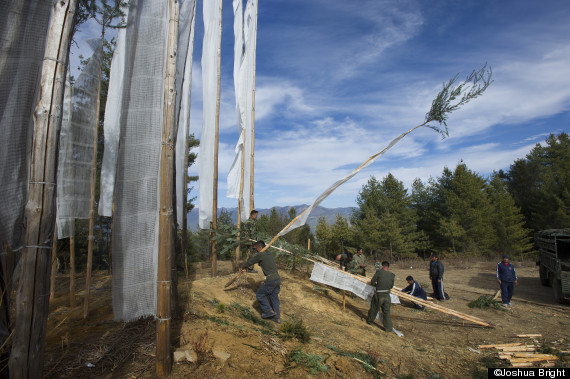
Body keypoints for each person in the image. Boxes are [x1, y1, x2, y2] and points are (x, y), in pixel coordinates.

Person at [240, 240, 282, 323]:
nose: (255, 250)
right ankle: (277, 318)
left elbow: (251, 261)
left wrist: (242, 267)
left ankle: (268, 311)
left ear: (259, 247)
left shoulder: (260, 255)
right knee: (274, 298)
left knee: (260, 294)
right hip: (277, 279)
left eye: (255, 248)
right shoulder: (269, 253)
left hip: (270, 280)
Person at [366, 261, 395, 332]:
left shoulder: (379, 273)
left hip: (379, 295)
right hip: (387, 296)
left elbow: (372, 282)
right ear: (388, 267)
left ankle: (370, 321)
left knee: (374, 308)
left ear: (382, 266)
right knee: (386, 312)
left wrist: (377, 286)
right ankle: (388, 328)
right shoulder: (392, 275)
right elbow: (391, 286)